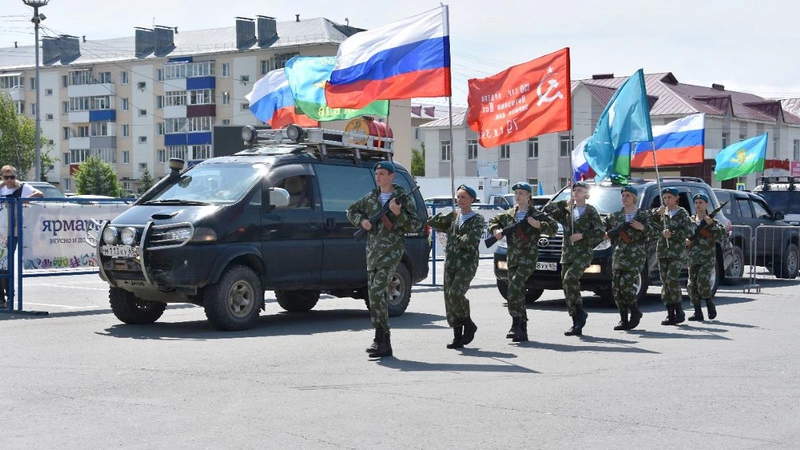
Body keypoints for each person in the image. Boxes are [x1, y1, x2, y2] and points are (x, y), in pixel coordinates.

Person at [347, 161, 420, 358]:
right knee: (373, 295)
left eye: (382, 173)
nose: (378, 177)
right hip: (373, 253)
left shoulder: (401, 199)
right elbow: (351, 210)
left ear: (391, 177)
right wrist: (362, 221)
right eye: (377, 173)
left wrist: (399, 214)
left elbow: (415, 225)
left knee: (378, 292)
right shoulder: (371, 197)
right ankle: (383, 341)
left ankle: (380, 337)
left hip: (392, 252)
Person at [488, 182, 557, 342]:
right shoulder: (509, 214)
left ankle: (515, 324)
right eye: (516, 193)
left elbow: (553, 228)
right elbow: (494, 221)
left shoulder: (536, 214)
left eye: (521, 193)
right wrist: (496, 231)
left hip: (528, 258)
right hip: (512, 258)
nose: (518, 196)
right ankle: (521, 328)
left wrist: (539, 225)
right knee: (516, 290)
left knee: (514, 286)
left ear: (528, 196)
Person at [543, 181, 604, 336]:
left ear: (586, 193)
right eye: (574, 190)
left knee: (570, 279)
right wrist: (564, 203)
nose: (576, 192)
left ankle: (579, 314)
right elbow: (546, 210)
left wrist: (583, 236)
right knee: (567, 285)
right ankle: (576, 318)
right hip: (567, 253)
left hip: (583, 253)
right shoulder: (568, 211)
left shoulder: (591, 211)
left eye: (579, 190)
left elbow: (599, 232)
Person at [427, 184, 484, 349]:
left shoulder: (477, 219)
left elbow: (471, 240)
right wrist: (443, 217)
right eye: (458, 197)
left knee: (456, 294)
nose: (460, 200)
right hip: (451, 261)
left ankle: (468, 323)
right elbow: (434, 223)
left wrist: (454, 239)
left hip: (466, 263)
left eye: (463, 197)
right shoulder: (455, 217)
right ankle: (457, 335)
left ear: (471, 200)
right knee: (449, 298)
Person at [602, 185, 652, 330]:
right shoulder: (615, 216)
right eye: (623, 195)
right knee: (616, 288)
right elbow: (601, 229)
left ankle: (635, 312)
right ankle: (623, 318)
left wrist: (642, 228)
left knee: (626, 285)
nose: (625, 198)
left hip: (635, 255)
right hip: (618, 255)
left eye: (628, 195)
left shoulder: (642, 216)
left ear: (634, 198)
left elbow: (654, 232)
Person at [1, 165, 43, 308]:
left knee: (6, 265)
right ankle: (2, 297)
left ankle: (9, 295)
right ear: (2, 177)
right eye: (6, 177)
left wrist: (24, 200)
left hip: (14, 232)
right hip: (1, 232)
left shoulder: (23, 188)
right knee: (1, 265)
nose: (9, 180)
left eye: (12, 177)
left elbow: (39, 194)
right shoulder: (1, 188)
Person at [650, 187, 693, 326]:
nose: (667, 200)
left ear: (676, 198)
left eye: (669, 197)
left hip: (675, 252)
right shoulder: (662, 213)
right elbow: (650, 226)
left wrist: (673, 234)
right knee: (665, 282)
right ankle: (670, 312)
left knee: (672, 280)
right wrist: (657, 215)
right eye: (665, 198)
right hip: (662, 251)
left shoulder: (682, 213)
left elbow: (689, 230)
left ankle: (679, 310)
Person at [685, 193, 726, 321]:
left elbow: (721, 235)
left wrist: (711, 224)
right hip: (692, 257)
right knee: (691, 285)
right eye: (696, 203)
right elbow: (684, 234)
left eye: (701, 202)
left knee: (702, 282)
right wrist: (686, 241)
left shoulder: (712, 221)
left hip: (707, 257)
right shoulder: (691, 220)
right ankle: (697, 311)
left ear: (706, 204)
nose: (698, 205)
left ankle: (709, 303)